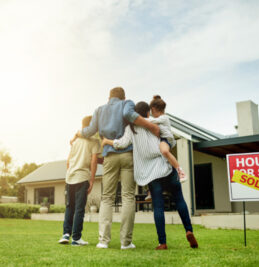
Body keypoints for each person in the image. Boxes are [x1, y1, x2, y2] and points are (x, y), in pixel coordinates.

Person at [102, 101, 198, 250]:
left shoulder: (131, 128)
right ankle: (189, 230)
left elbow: (121, 144)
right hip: (165, 167)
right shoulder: (154, 121)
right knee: (179, 199)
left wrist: (106, 141)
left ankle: (162, 242)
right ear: (148, 112)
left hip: (150, 174)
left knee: (158, 206)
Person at [73, 87, 160, 250]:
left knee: (107, 198)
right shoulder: (127, 104)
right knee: (128, 196)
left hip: (109, 157)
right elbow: (129, 115)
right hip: (127, 155)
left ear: (109, 98)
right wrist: (150, 125)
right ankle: (126, 242)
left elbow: (90, 130)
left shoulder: (99, 110)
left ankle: (103, 241)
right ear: (123, 97)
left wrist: (79, 133)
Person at [58, 116, 100, 246]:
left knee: (69, 207)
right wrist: (92, 180)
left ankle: (66, 234)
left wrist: (70, 172)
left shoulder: (75, 141)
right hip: (82, 178)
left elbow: (68, 162)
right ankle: (76, 238)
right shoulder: (94, 142)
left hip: (70, 177)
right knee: (79, 209)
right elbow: (94, 161)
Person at [149, 95, 187, 183]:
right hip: (163, 140)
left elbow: (151, 121)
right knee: (162, 157)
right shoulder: (160, 118)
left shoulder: (164, 117)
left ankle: (181, 171)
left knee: (165, 151)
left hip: (166, 139)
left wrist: (138, 118)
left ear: (154, 109)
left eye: (152, 111)